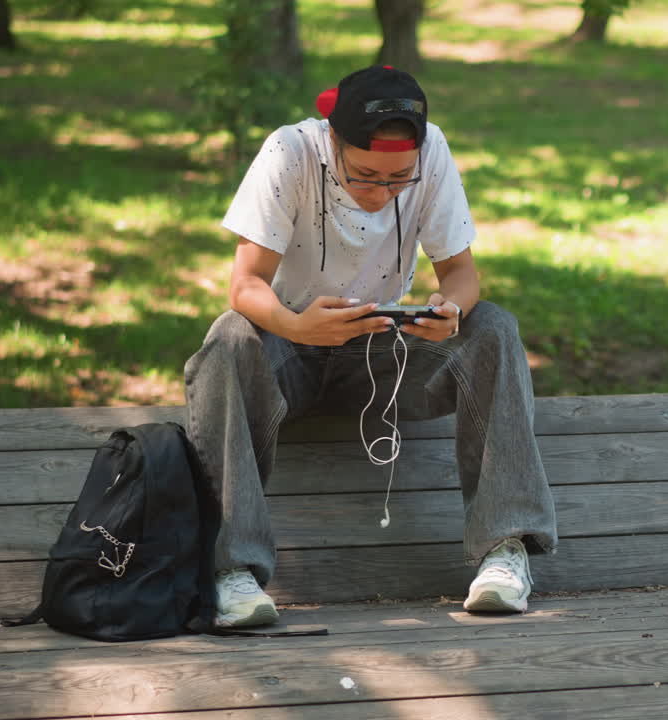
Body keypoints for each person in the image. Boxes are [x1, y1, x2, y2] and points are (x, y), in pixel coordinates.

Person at [183, 65, 558, 628]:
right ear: (334, 140)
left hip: (386, 351)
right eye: (364, 177)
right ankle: (230, 570)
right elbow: (244, 286)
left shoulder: (432, 153)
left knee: (494, 327)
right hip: (289, 347)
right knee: (227, 338)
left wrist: (450, 311)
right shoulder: (289, 153)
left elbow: (460, 274)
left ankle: (504, 554)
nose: (382, 194)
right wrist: (297, 326)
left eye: (398, 179)